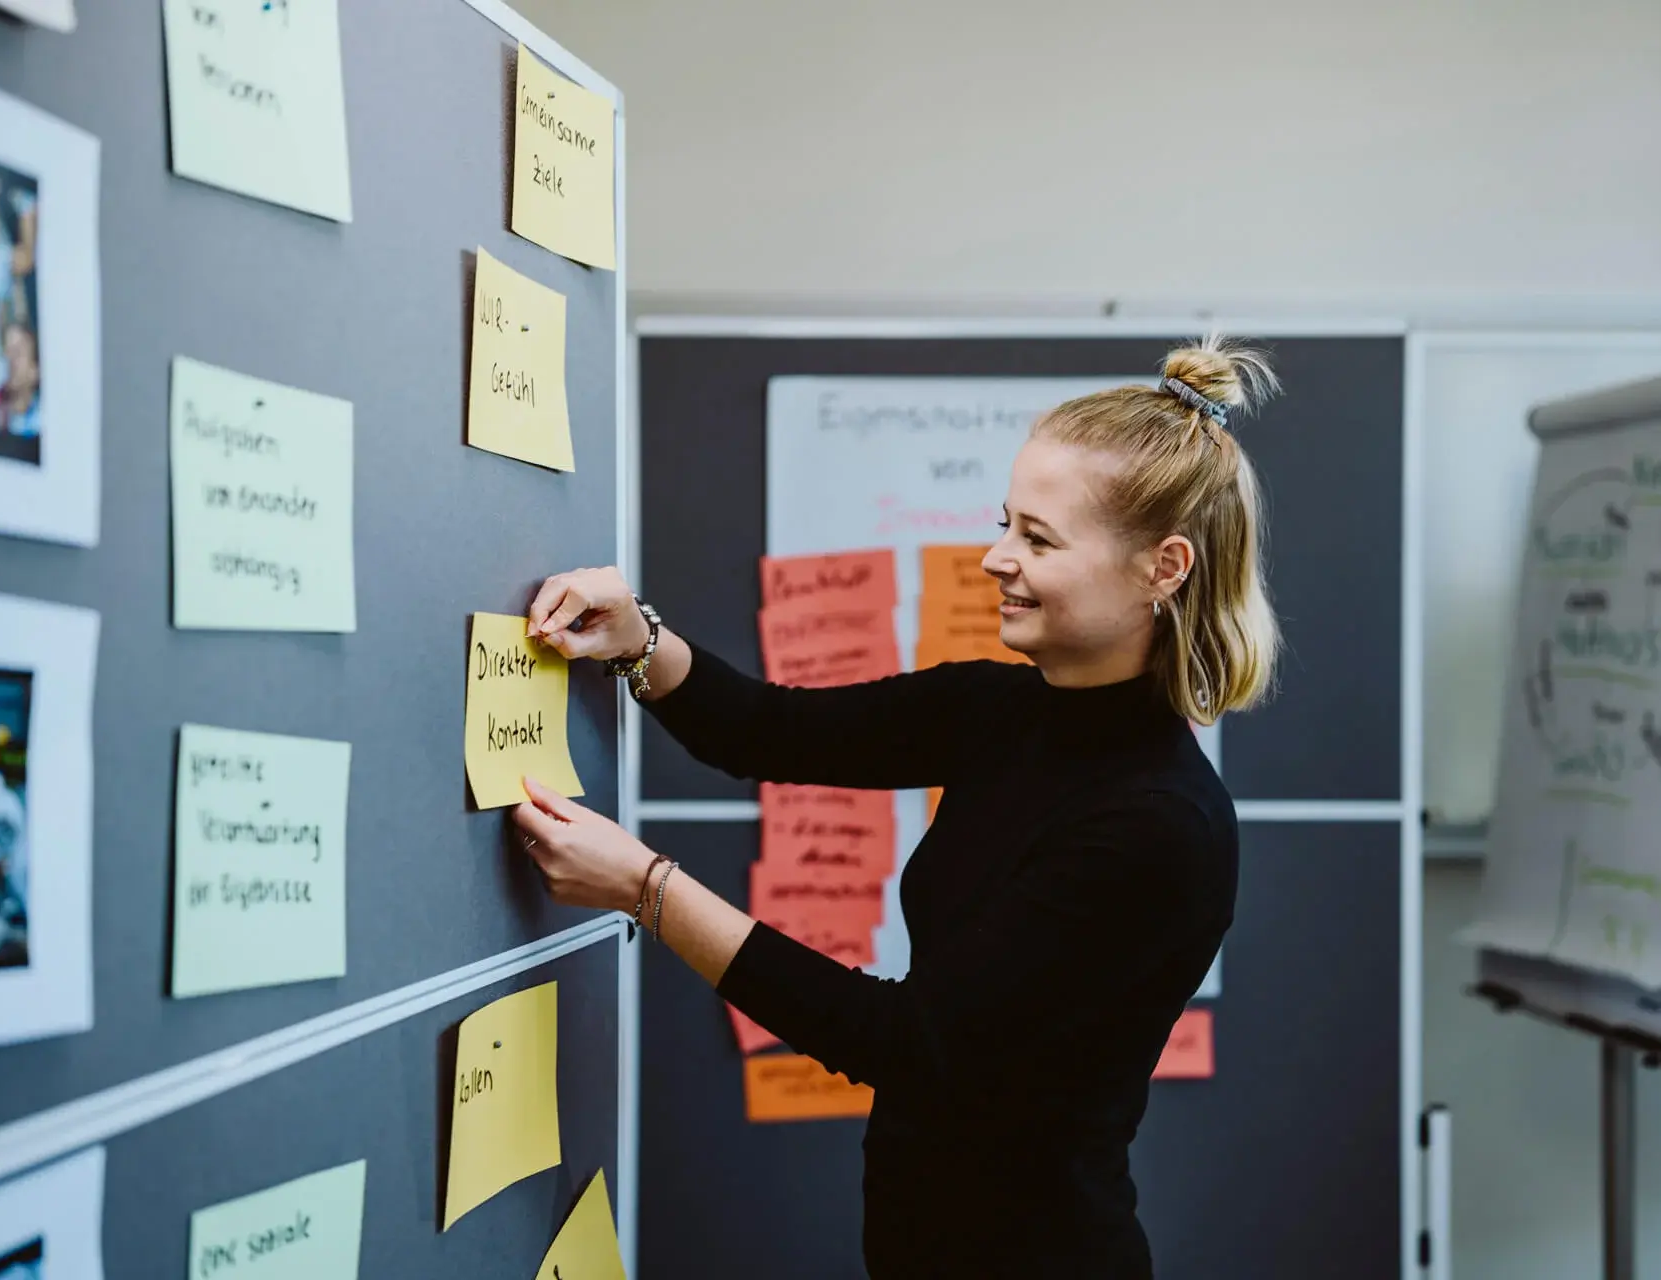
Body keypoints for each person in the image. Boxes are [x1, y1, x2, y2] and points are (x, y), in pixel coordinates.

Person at [511, 335, 1283, 1278]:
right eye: (1007, 522)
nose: (995, 558)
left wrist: (649, 890)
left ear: (1163, 568)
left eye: (1038, 539)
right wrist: (637, 637)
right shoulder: (999, 708)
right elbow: (763, 731)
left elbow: (908, 1044)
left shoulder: (1159, 825)